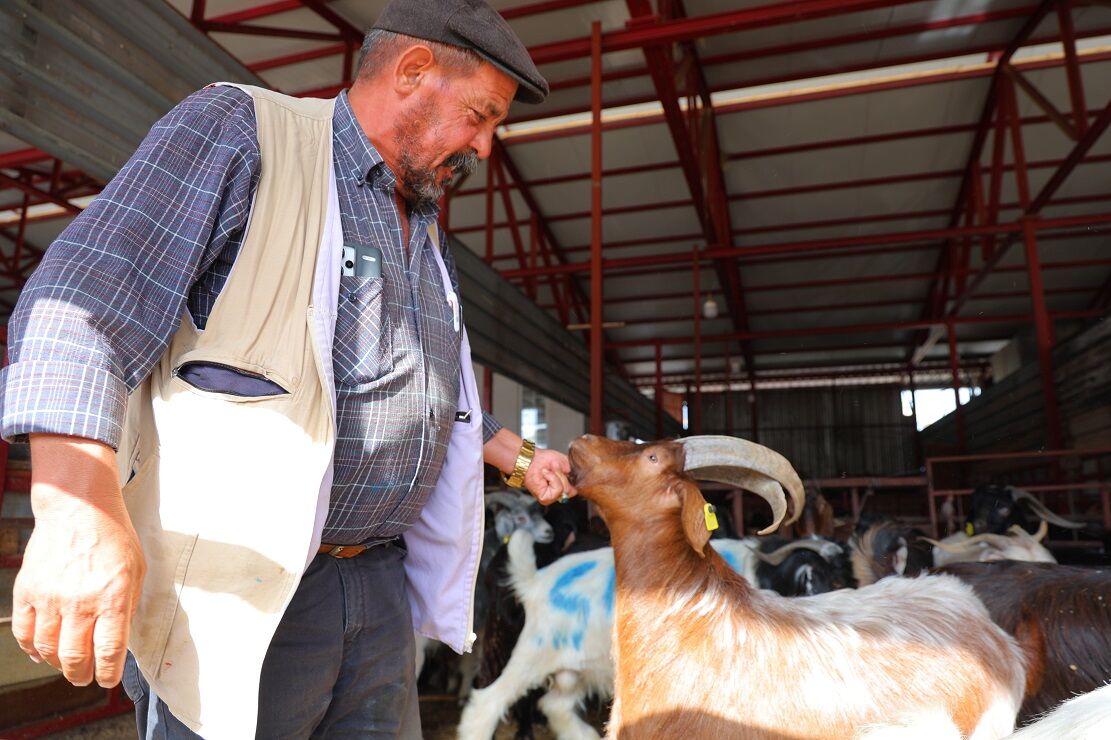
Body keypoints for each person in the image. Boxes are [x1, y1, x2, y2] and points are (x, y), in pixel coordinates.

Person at [0, 1, 573, 737]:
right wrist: (75, 507)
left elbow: (400, 382)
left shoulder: (418, 220)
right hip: (246, 590)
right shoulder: (244, 132)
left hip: (378, 589)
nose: (485, 146)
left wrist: (506, 448)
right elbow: (83, 301)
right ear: (413, 71)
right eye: (481, 114)